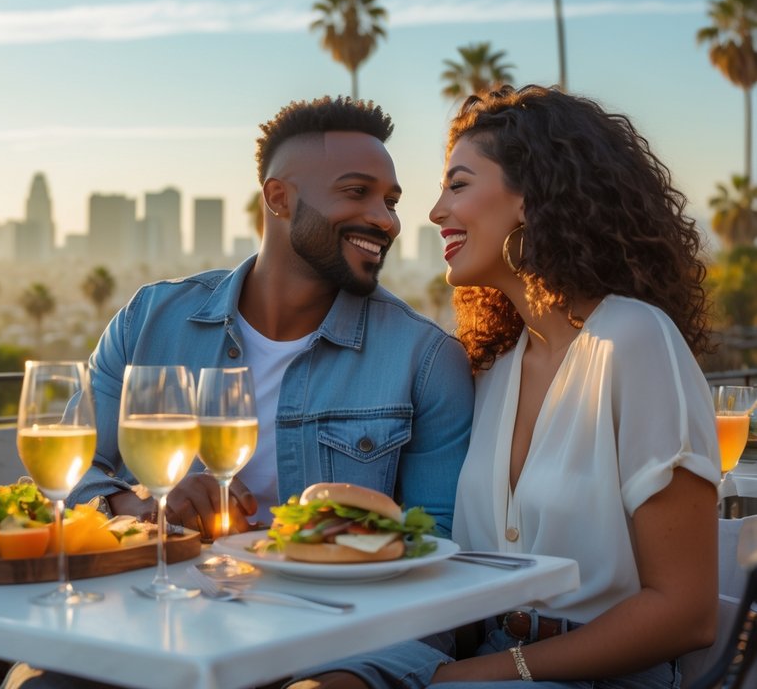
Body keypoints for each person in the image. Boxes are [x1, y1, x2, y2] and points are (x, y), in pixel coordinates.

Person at [289, 85, 720, 689]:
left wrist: (473, 676)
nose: (436, 211)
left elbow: (687, 612)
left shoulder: (633, 340)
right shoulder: (492, 368)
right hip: (487, 655)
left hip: (600, 673)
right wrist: (373, 524)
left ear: (532, 197)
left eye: (458, 184)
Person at [70, 94, 474, 539]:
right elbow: (66, 471)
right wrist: (142, 504)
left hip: (330, 607)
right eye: (357, 192)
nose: (387, 221)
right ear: (279, 198)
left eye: (391, 201)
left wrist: (333, 540)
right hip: (157, 603)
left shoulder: (427, 360)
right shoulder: (146, 323)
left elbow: (436, 537)